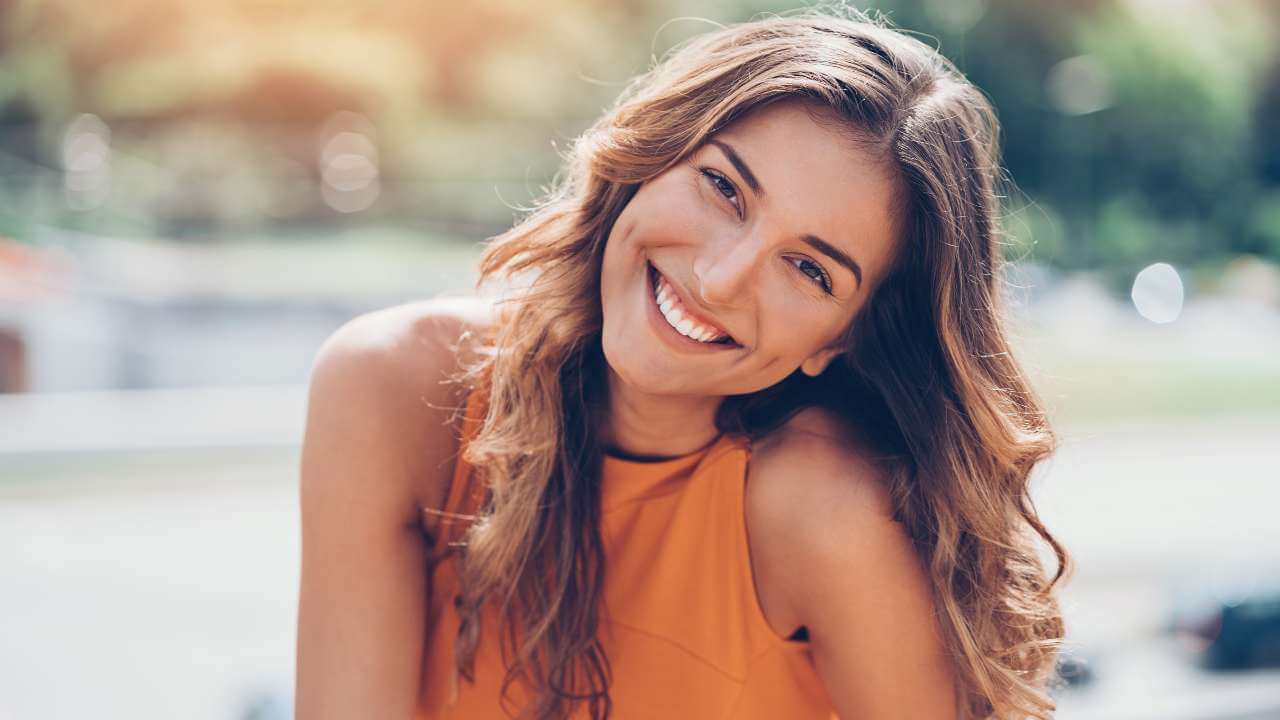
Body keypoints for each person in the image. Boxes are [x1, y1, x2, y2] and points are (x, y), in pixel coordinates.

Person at [294, 8, 1070, 720]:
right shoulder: (396, 391)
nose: (720, 278)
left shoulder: (820, 506)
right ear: (652, 153)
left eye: (808, 269)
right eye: (723, 188)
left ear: (841, 340)